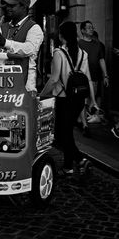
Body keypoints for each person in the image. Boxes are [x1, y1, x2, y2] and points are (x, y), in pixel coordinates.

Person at [40, 21, 96, 175]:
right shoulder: (83, 54)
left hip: (64, 99)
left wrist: (41, 95)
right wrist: (93, 100)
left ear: (61, 35)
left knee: (60, 134)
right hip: (79, 99)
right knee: (67, 132)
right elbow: (89, 79)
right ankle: (69, 166)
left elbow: (54, 79)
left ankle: (78, 161)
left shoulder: (59, 53)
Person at [0, 0, 44, 93]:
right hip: (4, 85)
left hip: (25, 87)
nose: (8, 8)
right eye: (7, 5)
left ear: (23, 7)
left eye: (12, 5)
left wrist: (6, 43)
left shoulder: (34, 28)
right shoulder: (5, 27)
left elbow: (30, 49)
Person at [78, 21, 109, 135]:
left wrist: (105, 75)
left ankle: (82, 120)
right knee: (82, 101)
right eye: (89, 28)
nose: (91, 29)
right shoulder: (79, 43)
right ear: (83, 30)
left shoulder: (98, 44)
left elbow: (101, 60)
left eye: (92, 27)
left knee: (91, 101)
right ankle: (84, 124)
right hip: (82, 78)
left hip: (94, 78)